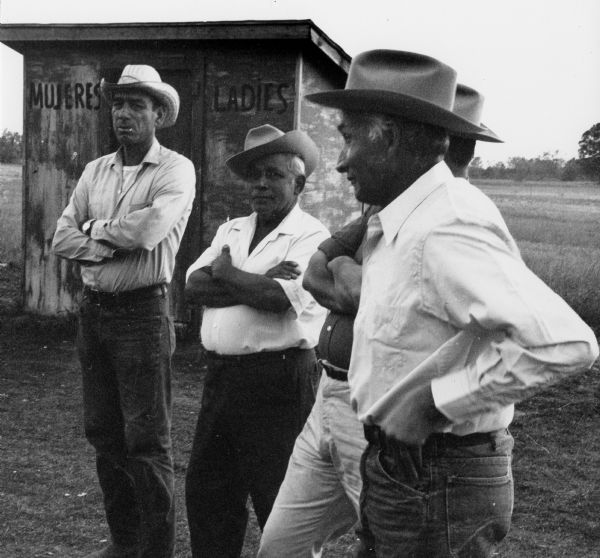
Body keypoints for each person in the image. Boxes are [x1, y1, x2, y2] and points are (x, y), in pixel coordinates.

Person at [305, 49, 599, 558]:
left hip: (436, 474)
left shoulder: (444, 225)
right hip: (408, 470)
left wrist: (433, 403)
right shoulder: (405, 219)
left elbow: (566, 343)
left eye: (348, 137)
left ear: (388, 137)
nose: (340, 160)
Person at [257, 83, 502, 558]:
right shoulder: (385, 208)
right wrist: (349, 276)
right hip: (331, 397)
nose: (347, 160)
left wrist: (348, 276)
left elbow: (364, 294)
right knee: (280, 546)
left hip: (381, 415)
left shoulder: (452, 223)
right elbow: (314, 275)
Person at [52, 65, 196, 558]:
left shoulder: (176, 169)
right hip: (94, 315)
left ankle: (155, 551)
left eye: (137, 104)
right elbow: (61, 236)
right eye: (118, 103)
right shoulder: (96, 170)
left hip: (142, 316)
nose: (124, 113)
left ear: (160, 113)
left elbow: (147, 232)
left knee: (147, 442)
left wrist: (94, 231)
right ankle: (125, 542)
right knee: (104, 435)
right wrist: (107, 238)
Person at [183, 124, 330, 558]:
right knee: (210, 494)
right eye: (254, 175)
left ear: (298, 183)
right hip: (223, 380)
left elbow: (277, 301)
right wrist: (259, 279)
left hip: (279, 382)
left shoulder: (312, 236)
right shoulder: (232, 230)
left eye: (273, 175)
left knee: (279, 501)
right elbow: (193, 288)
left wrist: (228, 275)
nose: (260, 184)